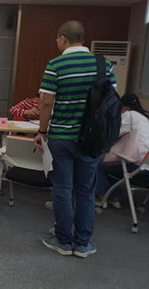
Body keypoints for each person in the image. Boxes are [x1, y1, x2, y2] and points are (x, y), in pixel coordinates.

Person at [35, 20, 117, 258]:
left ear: (62, 38)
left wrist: (42, 131)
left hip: (62, 136)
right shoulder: (104, 65)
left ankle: (63, 240)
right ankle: (83, 243)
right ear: (83, 39)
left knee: (62, 189)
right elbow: (112, 101)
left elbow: (46, 102)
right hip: (93, 138)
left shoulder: (56, 64)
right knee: (85, 191)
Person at [96, 94, 149, 207]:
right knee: (115, 165)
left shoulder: (129, 115)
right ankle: (115, 197)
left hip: (137, 167)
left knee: (99, 165)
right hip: (146, 167)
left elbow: (113, 133)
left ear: (125, 107)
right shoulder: (145, 119)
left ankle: (100, 197)